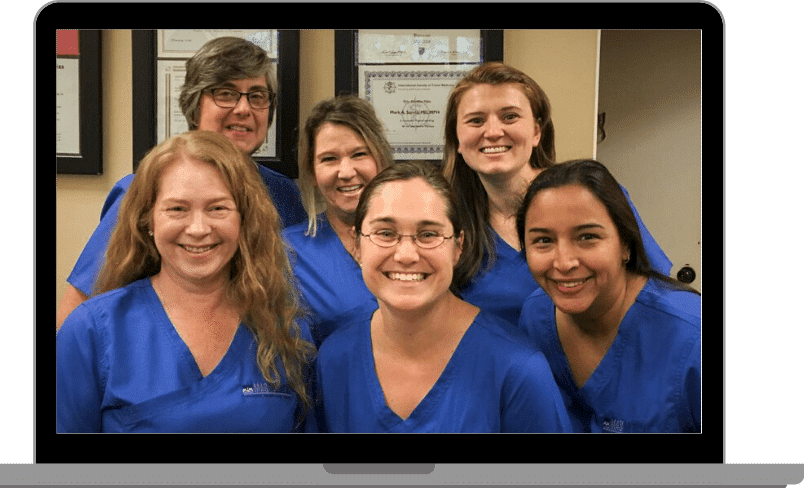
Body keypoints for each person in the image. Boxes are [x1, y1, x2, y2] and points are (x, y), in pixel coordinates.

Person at [56, 131, 315, 433]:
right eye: (177, 209)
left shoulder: (285, 328)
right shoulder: (91, 331)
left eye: (218, 208)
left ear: (244, 219)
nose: (198, 228)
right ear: (148, 220)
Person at [57, 36, 306, 330]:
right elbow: (75, 314)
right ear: (193, 104)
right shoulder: (144, 190)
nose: (243, 109)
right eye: (225, 93)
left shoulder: (283, 194)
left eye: (257, 96)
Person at [312, 161, 571, 433]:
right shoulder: (335, 360)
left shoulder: (518, 369)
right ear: (357, 246)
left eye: (428, 234)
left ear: (458, 247)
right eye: (385, 233)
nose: (406, 255)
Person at [441, 62, 672, 326]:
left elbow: (656, 295)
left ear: (537, 131)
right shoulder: (449, 222)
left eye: (510, 117)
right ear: (457, 139)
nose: (493, 132)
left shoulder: (591, 197)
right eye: (476, 121)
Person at [516, 159, 701, 433]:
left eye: (587, 236)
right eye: (543, 240)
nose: (564, 262)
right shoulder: (535, 316)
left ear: (625, 244)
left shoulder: (692, 337)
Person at [282, 95, 395, 346]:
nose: (346, 172)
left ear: (381, 159)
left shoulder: (420, 239)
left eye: (359, 154)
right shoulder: (287, 253)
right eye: (329, 159)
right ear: (311, 172)